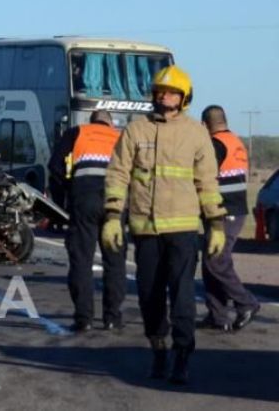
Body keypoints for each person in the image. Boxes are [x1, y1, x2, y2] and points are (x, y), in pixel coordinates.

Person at [102, 66, 227, 385]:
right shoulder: (135, 131)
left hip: (183, 233)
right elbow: (118, 174)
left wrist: (216, 223)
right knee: (149, 296)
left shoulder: (196, 134)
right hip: (145, 231)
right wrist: (113, 216)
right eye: (159, 92)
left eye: (171, 92)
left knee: (183, 296)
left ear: (184, 98)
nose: (164, 97)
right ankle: (158, 350)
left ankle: (182, 356)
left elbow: (208, 183)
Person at [48, 110, 126, 333]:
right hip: (115, 203)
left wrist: (62, 201)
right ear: (110, 123)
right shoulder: (120, 137)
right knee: (115, 262)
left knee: (82, 260)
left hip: (84, 200)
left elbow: (55, 167)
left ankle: (84, 319)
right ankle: (112, 318)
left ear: (92, 122)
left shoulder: (77, 133)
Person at [199, 105, 260, 331]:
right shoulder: (236, 142)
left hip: (226, 211)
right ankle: (217, 315)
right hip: (236, 209)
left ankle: (246, 302)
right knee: (211, 260)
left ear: (205, 124)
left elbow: (205, 176)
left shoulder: (215, 145)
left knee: (216, 260)